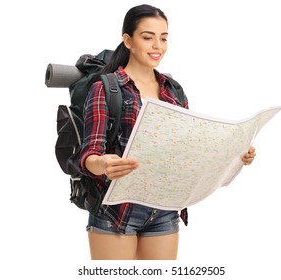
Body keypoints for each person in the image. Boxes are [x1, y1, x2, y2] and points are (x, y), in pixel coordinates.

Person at [80, 4, 256, 260]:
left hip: (164, 212)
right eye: (147, 37)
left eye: (163, 38)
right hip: (115, 213)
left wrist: (234, 156)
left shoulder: (173, 91)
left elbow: (190, 151)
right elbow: (88, 157)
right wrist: (103, 164)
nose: (157, 46)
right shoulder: (106, 88)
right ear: (128, 40)